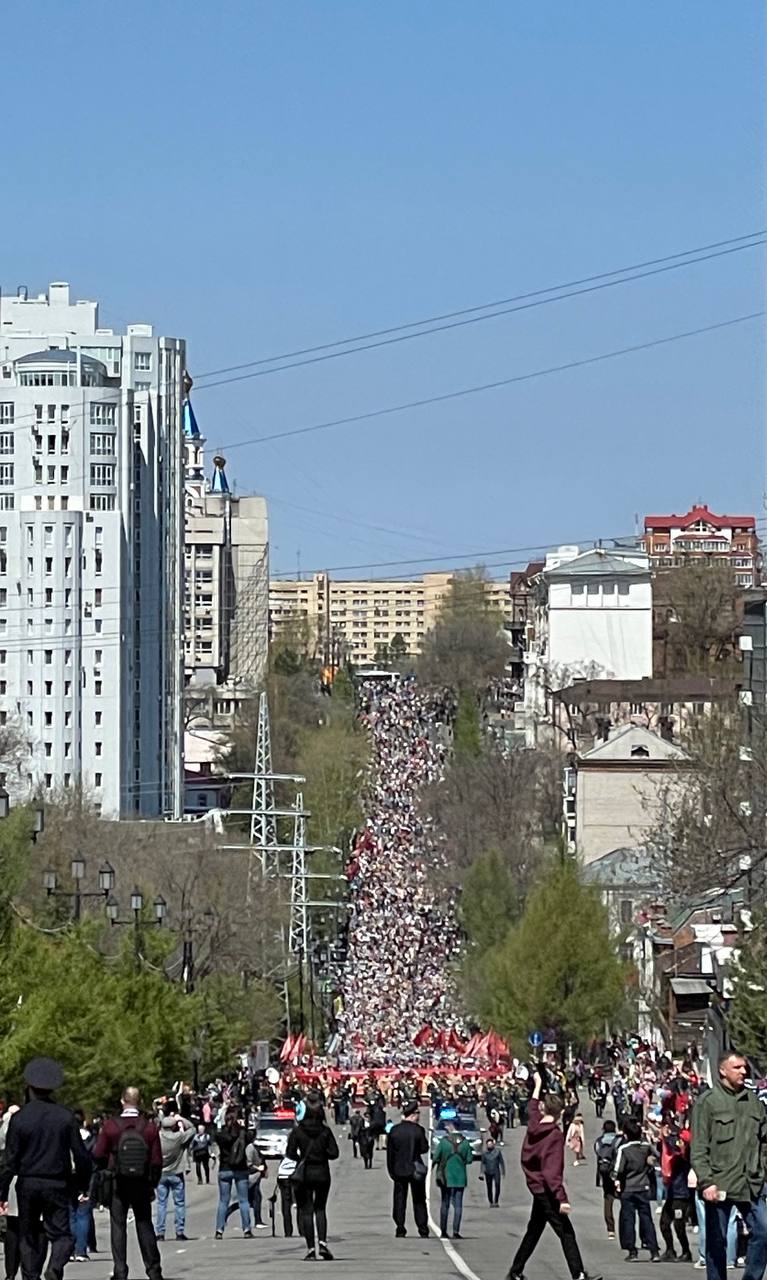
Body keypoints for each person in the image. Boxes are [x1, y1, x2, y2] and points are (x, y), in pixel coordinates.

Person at [0, 1058, 91, 1280]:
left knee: (28, 1234)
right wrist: (81, 1184)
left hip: (28, 1182)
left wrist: (2, 1191)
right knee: (62, 1235)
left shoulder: (20, 1119)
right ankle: (55, 1267)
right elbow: (81, 1155)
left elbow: (9, 1160)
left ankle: (31, 1276)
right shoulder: (64, 1117)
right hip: (57, 1182)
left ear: (29, 1087)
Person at [506, 1071, 599, 1280]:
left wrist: (537, 1084)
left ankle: (515, 1271)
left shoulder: (534, 1125)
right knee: (566, 1231)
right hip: (546, 1189)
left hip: (536, 1185)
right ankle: (579, 1274)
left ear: (543, 1109)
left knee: (534, 1230)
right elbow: (551, 1172)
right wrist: (562, 1198)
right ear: (561, 1113)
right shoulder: (554, 1135)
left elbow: (532, 1106)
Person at [690, 1050, 767, 1280]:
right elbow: (699, 1146)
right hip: (719, 1183)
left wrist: (762, 1170)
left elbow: (764, 1140)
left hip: (750, 1182)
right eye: (738, 1068)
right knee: (717, 1241)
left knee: (763, 1232)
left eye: (744, 1067)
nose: (744, 1071)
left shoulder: (752, 1102)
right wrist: (706, 1181)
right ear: (722, 1070)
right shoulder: (708, 1102)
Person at [92, 1084, 164, 1280]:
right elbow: (157, 1160)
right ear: (139, 1102)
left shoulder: (111, 1126)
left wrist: (106, 1168)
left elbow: (98, 1154)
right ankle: (153, 1270)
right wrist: (153, 1183)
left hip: (118, 1181)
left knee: (118, 1226)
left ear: (122, 1101)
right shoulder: (148, 1128)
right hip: (141, 1181)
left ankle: (120, 1271)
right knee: (144, 1224)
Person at [285, 1090, 339, 1262]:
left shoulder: (298, 1131)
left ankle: (310, 1248)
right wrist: (321, 1153)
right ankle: (322, 1242)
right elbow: (334, 1153)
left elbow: (290, 1153)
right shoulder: (325, 1131)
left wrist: (302, 1157)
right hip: (322, 1171)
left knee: (306, 1210)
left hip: (305, 1173)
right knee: (320, 1208)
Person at [612, 1116, 661, 1262]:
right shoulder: (646, 1146)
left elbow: (617, 1170)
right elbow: (657, 1156)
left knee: (629, 1219)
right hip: (644, 1186)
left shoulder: (624, 1149)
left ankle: (632, 1251)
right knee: (646, 1218)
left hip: (628, 1188)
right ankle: (654, 1250)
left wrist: (615, 1179)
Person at [385, 1100, 429, 1240]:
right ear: (413, 1115)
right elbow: (424, 1148)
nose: (419, 1116)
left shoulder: (395, 1130)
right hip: (415, 1169)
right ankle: (422, 1228)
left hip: (399, 1170)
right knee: (419, 1200)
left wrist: (391, 1170)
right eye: (417, 1113)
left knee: (399, 1200)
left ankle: (400, 1227)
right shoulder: (418, 1130)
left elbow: (390, 1153)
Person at [155, 1103, 195, 1241]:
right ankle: (179, 1231)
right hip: (176, 1172)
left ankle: (160, 1232)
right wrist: (181, 1119)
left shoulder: (158, 1137)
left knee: (161, 1204)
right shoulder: (178, 1137)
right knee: (179, 1203)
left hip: (161, 1173)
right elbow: (193, 1129)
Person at [214, 1108, 252, 1239]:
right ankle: (246, 1229)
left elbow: (216, 1135)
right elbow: (252, 1135)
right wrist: (245, 1125)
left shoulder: (221, 1135)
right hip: (240, 1168)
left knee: (223, 1201)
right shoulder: (242, 1133)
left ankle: (219, 1229)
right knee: (244, 1201)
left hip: (224, 1168)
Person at [433, 1119, 472, 1240]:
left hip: (446, 1177)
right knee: (458, 1205)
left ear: (451, 1126)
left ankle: (443, 1231)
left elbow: (436, 1157)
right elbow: (469, 1159)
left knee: (445, 1204)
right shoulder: (465, 1143)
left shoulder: (444, 1142)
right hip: (460, 1177)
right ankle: (456, 1231)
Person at [658, 1124, 692, 1262]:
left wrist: (668, 1138)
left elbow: (675, 1149)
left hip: (682, 1195)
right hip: (672, 1193)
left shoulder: (684, 1154)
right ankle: (670, 1249)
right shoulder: (672, 1152)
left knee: (679, 1224)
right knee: (664, 1223)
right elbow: (664, 1150)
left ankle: (686, 1251)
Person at [593, 1119, 619, 1239]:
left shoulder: (599, 1141)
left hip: (604, 1172)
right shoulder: (619, 1140)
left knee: (608, 1199)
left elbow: (598, 1153)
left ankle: (610, 1229)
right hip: (617, 1172)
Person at [480, 1137, 505, 1207]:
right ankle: (491, 1201)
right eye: (488, 1144)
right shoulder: (484, 1154)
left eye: (491, 1144)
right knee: (489, 1187)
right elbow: (483, 1163)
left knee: (497, 1185)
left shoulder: (497, 1152)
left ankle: (496, 1201)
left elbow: (501, 1162)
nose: (489, 1145)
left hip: (496, 1171)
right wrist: (481, 1172)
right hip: (488, 1172)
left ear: (493, 1145)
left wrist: (503, 1172)